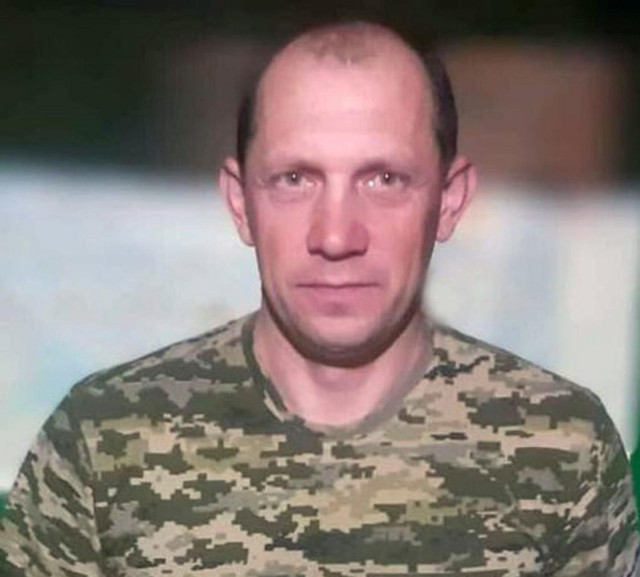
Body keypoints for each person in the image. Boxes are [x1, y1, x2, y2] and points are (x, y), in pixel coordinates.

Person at [1, 20, 638, 577]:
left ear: (449, 201)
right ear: (240, 203)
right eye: (294, 179)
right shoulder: (103, 440)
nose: (335, 236)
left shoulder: (562, 446)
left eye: (384, 179)